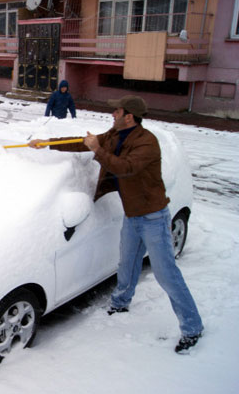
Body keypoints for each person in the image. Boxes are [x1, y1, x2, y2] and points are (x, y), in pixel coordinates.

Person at [29, 95, 203, 353]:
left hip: (154, 217)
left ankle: (192, 326)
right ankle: (121, 302)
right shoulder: (115, 133)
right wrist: (48, 144)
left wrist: (98, 150)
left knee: (166, 274)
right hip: (133, 215)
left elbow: (126, 167)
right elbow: (85, 143)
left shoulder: (147, 142)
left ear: (129, 116)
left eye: (117, 111)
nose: (112, 114)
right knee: (127, 262)